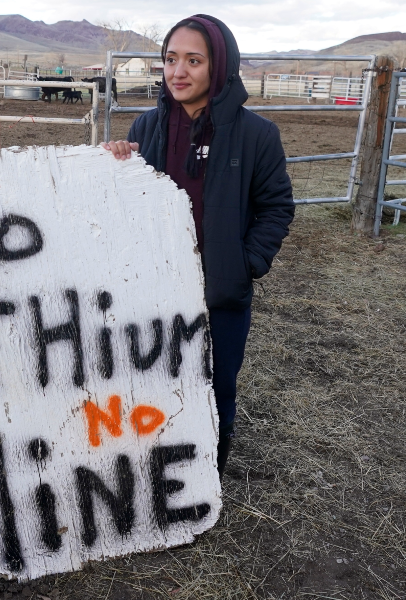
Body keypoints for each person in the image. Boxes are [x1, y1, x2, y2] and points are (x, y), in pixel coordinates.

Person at [101, 14, 294, 475]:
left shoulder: (256, 135)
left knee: (214, 389)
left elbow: (276, 208)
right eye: (171, 59)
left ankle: (204, 484)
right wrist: (113, 166)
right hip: (151, 290)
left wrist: (244, 264)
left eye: (193, 60)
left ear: (219, 66)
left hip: (220, 294)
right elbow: (124, 207)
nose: (178, 72)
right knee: (148, 383)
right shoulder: (147, 127)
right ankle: (153, 479)